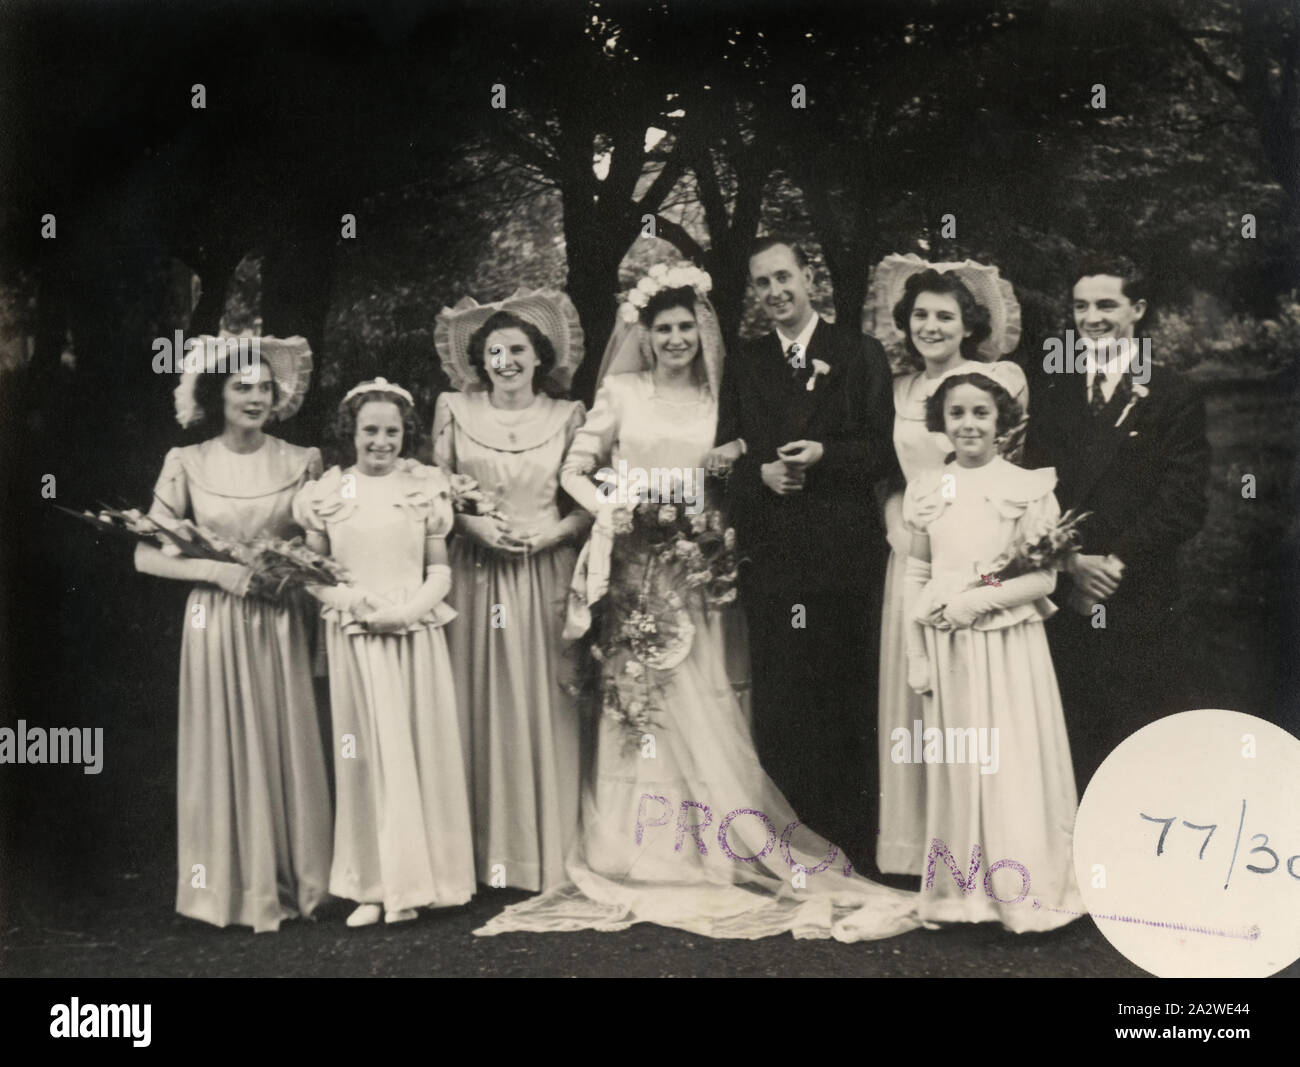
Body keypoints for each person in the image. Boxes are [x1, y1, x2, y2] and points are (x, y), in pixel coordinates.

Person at [475, 266, 920, 942]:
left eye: (686, 327)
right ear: (645, 337)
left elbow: (736, 467)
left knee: (705, 694)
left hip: (700, 564)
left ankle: (714, 844)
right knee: (642, 699)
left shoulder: (721, 394)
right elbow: (576, 469)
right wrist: (616, 507)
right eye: (664, 329)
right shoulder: (621, 391)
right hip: (636, 565)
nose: (676, 338)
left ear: (699, 332)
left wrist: (715, 494)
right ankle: (636, 847)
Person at [708, 236, 895, 874]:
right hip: (776, 559)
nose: (775, 293)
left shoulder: (858, 353)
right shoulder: (747, 360)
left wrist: (825, 457)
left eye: (783, 277)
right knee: (783, 701)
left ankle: (854, 842)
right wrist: (758, 476)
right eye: (762, 284)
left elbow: (882, 451)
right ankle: (790, 846)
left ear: (808, 277)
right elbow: (723, 460)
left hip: (844, 557)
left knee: (844, 693)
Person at [135, 335, 331, 933]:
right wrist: (220, 572)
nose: (255, 396)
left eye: (265, 387)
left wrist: (290, 568)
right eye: (241, 385)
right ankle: (222, 890)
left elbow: (321, 545)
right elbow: (146, 556)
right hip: (215, 622)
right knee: (221, 741)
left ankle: (302, 882)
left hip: (280, 617)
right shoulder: (186, 461)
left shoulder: (303, 461)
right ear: (215, 393)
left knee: (285, 738)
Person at [864, 255, 1027, 875]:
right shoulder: (899, 389)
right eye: (920, 316)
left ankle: (982, 843)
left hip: (975, 554)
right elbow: (889, 473)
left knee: (974, 698)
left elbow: (1005, 475)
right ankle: (917, 850)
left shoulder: (993, 381)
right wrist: (895, 523)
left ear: (968, 325)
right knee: (918, 690)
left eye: (944, 317)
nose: (930, 327)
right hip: (912, 553)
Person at [294, 378, 475, 926]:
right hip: (357, 635)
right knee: (365, 754)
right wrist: (357, 602)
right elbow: (313, 574)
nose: (381, 441)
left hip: (414, 635)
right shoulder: (327, 493)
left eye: (391, 431)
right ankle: (372, 885)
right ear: (350, 433)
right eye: (369, 430)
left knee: (420, 750)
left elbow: (439, 568)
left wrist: (410, 609)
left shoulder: (423, 486)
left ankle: (428, 881)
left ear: (405, 434)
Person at [903, 371, 1081, 931]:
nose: (969, 424)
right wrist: (917, 654)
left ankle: (1023, 892)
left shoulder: (1027, 486)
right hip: (948, 648)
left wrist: (975, 602)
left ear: (1001, 421)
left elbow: (1044, 580)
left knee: (1011, 765)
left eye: (981, 413)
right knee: (962, 768)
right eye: (957, 414)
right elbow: (917, 570)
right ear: (942, 424)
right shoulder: (930, 487)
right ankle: (964, 897)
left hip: (1006, 647)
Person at [1024, 256, 1209, 788]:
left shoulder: (1172, 392)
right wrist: (1072, 561)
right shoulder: (1053, 388)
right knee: (1074, 726)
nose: (1092, 317)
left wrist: (1116, 560)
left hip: (1139, 586)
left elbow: (1183, 501)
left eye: (1107, 304)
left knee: (1142, 728)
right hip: (1066, 585)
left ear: (1138, 309)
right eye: (1081, 306)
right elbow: (1034, 486)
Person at [432, 289, 590, 892]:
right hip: (476, 574)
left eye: (517, 349)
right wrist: (475, 527)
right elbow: (435, 490)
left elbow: (588, 507)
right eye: (494, 350)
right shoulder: (454, 409)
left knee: (545, 703)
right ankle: (476, 857)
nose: (505, 360)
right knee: (478, 700)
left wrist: (552, 534)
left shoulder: (567, 416)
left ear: (539, 355)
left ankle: (543, 852)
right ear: (480, 359)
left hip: (546, 572)